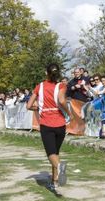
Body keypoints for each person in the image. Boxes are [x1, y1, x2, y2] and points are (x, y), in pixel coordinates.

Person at [27, 63, 72, 194]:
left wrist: (40, 108)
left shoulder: (39, 86)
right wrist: (69, 114)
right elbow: (62, 101)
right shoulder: (61, 86)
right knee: (56, 153)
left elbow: (29, 105)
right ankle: (55, 181)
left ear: (46, 73)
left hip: (47, 123)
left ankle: (60, 167)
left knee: (51, 154)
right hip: (60, 123)